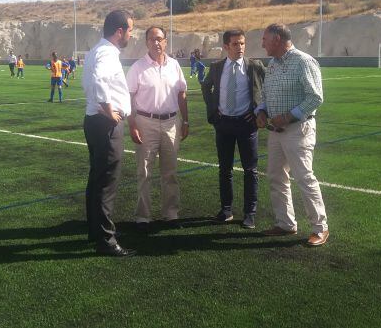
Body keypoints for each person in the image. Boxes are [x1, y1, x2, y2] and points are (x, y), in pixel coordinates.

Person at [256, 23, 329, 246]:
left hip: (298, 130)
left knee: (304, 178)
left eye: (265, 39)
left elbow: (315, 97)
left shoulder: (303, 62)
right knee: (276, 176)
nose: (262, 44)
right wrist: (261, 111)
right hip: (276, 133)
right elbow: (266, 95)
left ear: (277, 39)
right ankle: (285, 223)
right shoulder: (273, 65)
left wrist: (288, 117)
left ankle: (320, 227)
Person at [82, 9, 135, 257]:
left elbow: (89, 80)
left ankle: (96, 231)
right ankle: (106, 240)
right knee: (106, 183)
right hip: (105, 125)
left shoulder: (98, 50)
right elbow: (98, 79)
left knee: (97, 179)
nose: (131, 36)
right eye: (130, 30)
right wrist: (108, 109)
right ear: (119, 31)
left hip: (94, 121)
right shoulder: (107, 53)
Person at [201, 29, 265, 229]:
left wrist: (258, 111)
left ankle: (250, 214)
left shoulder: (254, 66)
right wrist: (214, 112)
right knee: (225, 170)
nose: (240, 48)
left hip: (247, 125)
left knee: (250, 170)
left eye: (243, 43)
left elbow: (267, 88)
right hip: (224, 124)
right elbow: (206, 87)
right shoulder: (217, 67)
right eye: (236, 44)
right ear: (226, 46)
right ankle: (226, 210)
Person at [126, 26, 189, 232]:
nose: (156, 43)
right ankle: (143, 217)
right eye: (152, 39)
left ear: (166, 41)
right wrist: (132, 124)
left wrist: (185, 121)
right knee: (144, 171)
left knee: (170, 172)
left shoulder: (174, 66)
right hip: (146, 122)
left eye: (160, 39)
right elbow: (129, 98)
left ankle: (171, 214)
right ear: (146, 43)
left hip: (172, 123)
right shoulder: (137, 67)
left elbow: (182, 94)